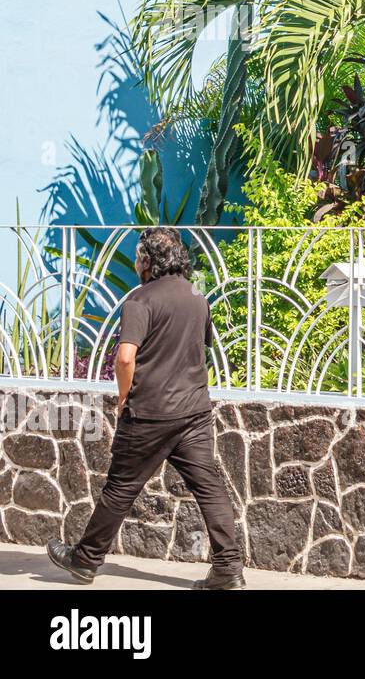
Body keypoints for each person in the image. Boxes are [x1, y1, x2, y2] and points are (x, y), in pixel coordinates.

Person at [46, 227, 245, 589]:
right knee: (210, 488)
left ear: (149, 261)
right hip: (195, 412)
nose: (137, 262)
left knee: (120, 488)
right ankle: (228, 570)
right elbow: (201, 348)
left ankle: (85, 560)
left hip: (149, 413)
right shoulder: (198, 296)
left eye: (139, 256)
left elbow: (125, 358)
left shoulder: (140, 300)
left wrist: (124, 397)